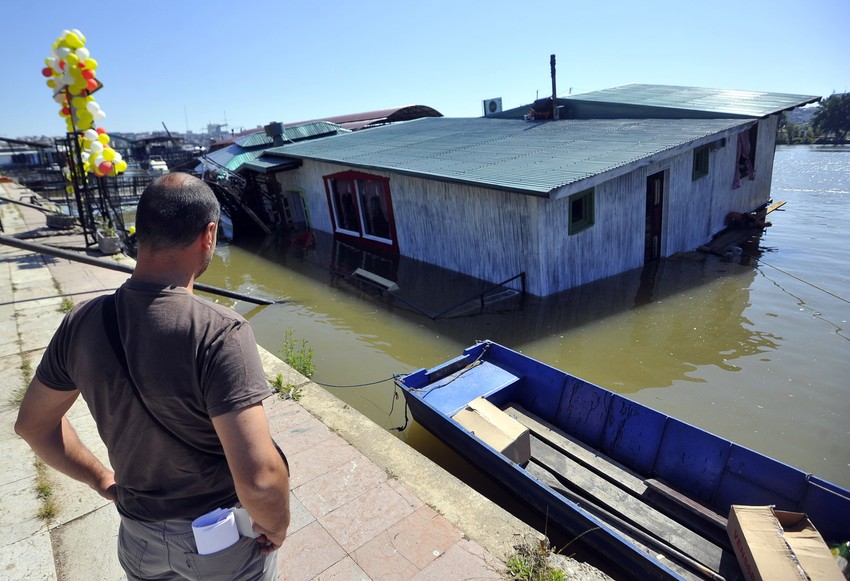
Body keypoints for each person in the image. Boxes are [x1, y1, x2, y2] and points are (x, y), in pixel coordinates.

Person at [15, 172, 290, 580]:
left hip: (138, 536)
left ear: (139, 233)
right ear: (208, 235)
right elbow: (260, 480)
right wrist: (277, 525)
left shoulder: (83, 322)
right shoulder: (220, 332)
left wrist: (101, 480)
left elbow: (32, 426)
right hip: (218, 540)